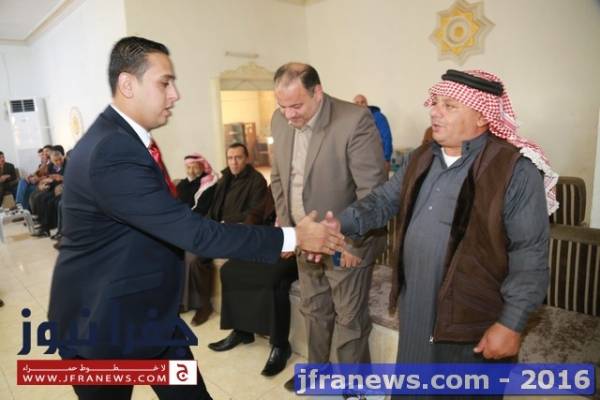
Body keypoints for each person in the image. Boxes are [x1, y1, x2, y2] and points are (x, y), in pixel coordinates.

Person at [47, 36, 344, 400]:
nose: (176, 95)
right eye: (165, 83)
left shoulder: (122, 139)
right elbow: (195, 233)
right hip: (102, 323)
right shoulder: (112, 149)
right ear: (127, 84)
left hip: (148, 311)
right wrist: (294, 236)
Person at [333, 69, 556, 399]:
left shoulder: (515, 171)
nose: (435, 112)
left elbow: (529, 253)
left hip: (473, 319)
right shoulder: (421, 158)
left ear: (482, 116)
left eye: (449, 106)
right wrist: (337, 224)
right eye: (435, 103)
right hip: (416, 305)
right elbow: (380, 202)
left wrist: (511, 323)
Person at [270, 63, 387, 392]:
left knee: (349, 318)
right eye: (282, 106)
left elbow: (372, 192)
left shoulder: (354, 120)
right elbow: (279, 179)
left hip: (343, 240)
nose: (289, 115)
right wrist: (289, 234)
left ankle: (354, 384)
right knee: (314, 309)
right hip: (304, 238)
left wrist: (353, 242)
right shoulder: (279, 120)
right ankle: (317, 370)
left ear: (317, 92)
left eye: (296, 106)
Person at [208, 186, 299, 377]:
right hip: (270, 240)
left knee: (274, 278)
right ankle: (242, 330)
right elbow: (257, 211)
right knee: (230, 270)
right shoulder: (275, 185)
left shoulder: (307, 183)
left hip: (296, 250)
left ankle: (280, 345)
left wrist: (294, 242)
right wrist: (248, 234)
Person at [177, 152, 219, 325]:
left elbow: (205, 211)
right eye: (188, 167)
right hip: (182, 229)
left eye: (194, 166)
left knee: (193, 259)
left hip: (203, 230)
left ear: (202, 166)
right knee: (172, 254)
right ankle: (184, 302)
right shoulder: (182, 185)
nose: (191, 170)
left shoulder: (209, 184)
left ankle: (203, 305)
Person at [206, 143, 267, 223]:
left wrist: (226, 221)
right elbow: (214, 205)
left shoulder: (257, 180)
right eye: (230, 158)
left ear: (247, 159)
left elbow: (255, 211)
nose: (234, 162)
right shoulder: (224, 177)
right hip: (216, 226)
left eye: (238, 158)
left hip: (237, 227)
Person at [353, 94, 393, 173]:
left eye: (362, 102)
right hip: (360, 163)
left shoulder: (378, 117)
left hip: (378, 162)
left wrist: (387, 159)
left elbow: (387, 137)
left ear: (366, 104)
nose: (360, 105)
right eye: (357, 103)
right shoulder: (353, 120)